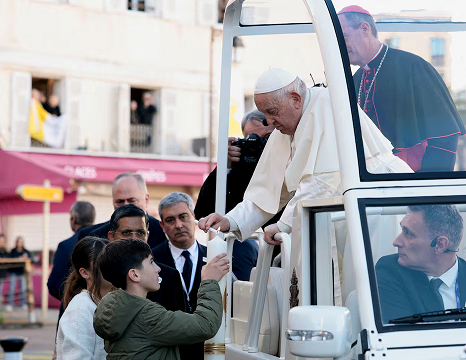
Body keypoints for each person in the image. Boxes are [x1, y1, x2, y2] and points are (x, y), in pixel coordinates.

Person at [199, 67, 412, 245]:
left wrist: (283, 225)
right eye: (265, 114)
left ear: (295, 99)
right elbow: (267, 190)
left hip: (379, 203)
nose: (269, 121)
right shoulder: (285, 125)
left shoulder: (327, 105)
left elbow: (323, 181)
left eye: (272, 111)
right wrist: (230, 220)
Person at [338, 6, 466, 172]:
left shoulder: (413, 67)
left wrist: (427, 184)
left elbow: (444, 137)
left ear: (364, 29)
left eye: (345, 37)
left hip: (413, 182)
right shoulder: (355, 81)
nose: (341, 45)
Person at [375, 205, 466, 324]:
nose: (396, 242)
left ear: (440, 244)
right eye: (402, 230)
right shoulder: (389, 271)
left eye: (409, 234)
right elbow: (402, 337)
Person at [93, 239, 229, 359]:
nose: (158, 268)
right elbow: (205, 326)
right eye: (151, 262)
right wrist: (209, 281)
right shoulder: (147, 316)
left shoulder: (115, 308)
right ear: (134, 275)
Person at [195, 110, 272, 281]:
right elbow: (203, 212)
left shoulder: (288, 162)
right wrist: (224, 165)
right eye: (252, 138)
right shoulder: (242, 171)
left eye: (266, 138)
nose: (258, 144)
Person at [107, 204, 186, 314]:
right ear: (111, 236)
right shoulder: (100, 276)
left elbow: (181, 326)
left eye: (140, 233)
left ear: (147, 236)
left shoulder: (169, 277)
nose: (134, 239)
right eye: (126, 233)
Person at [56, 237, 111, 360]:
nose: (111, 268)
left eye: (112, 261)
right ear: (84, 272)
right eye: (103, 263)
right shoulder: (80, 307)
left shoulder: (108, 302)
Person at [78, 172, 167, 248]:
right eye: (120, 202)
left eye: (132, 201)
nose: (125, 206)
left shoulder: (164, 235)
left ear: (146, 199)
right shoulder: (93, 237)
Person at [48, 201, 96, 304]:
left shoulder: (65, 246)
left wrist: (72, 299)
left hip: (70, 308)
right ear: (92, 219)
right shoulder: (103, 243)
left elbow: (54, 285)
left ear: (74, 219)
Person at [8, 236, 32, 308]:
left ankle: (23, 303)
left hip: (22, 272)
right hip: (14, 271)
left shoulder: (26, 251)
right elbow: (10, 260)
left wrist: (26, 257)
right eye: (18, 242)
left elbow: (31, 259)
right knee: (12, 288)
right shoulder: (13, 251)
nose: (20, 244)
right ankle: (10, 303)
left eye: (21, 242)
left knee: (23, 288)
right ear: (16, 243)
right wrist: (18, 259)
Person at [0, 234, 9, 304]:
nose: (1, 242)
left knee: (1, 289)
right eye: (1, 240)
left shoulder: (5, 250)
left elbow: (8, 259)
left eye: (3, 241)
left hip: (2, 274)